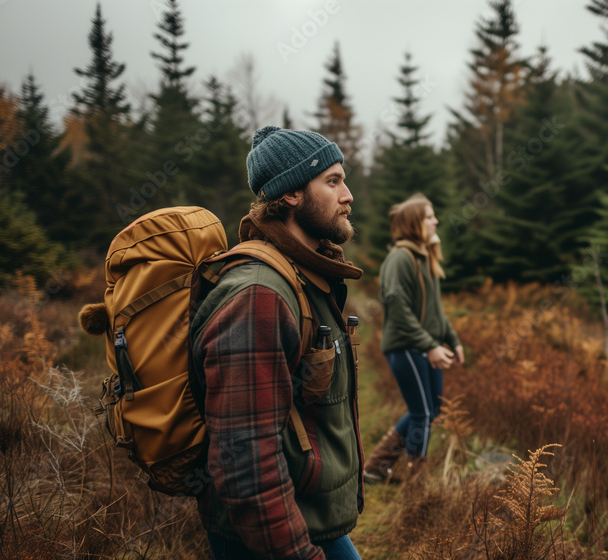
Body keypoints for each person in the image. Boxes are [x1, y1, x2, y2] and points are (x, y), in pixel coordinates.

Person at [190, 126, 364, 560]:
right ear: (289, 195)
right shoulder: (259, 296)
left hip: (306, 512)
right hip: (266, 537)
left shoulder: (304, 276)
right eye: (332, 181)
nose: (348, 195)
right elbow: (243, 459)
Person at [363, 193, 465, 483]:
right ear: (414, 223)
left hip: (423, 346)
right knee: (421, 413)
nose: (435, 221)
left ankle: (377, 467)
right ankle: (414, 480)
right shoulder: (399, 258)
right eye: (429, 216)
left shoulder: (425, 257)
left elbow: (435, 310)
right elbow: (398, 308)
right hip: (406, 348)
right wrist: (430, 346)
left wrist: (452, 340)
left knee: (431, 411)